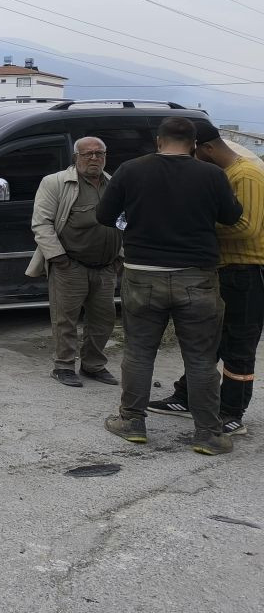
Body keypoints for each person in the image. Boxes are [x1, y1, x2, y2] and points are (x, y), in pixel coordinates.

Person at [96, 116, 242, 455]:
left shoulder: (130, 170)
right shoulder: (212, 175)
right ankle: (208, 434)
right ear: (193, 145)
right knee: (201, 359)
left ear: (159, 141)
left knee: (138, 351)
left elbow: (104, 216)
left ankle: (132, 422)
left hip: (142, 275)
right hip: (197, 278)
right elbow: (232, 216)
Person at [148, 121, 264, 437]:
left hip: (246, 274)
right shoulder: (225, 175)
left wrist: (195, 226)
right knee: (206, 341)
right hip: (221, 272)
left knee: (238, 345)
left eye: (193, 153)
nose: (191, 160)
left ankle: (231, 412)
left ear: (207, 148)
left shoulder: (247, 175)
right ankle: (187, 397)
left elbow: (247, 228)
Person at [27, 136, 122, 388]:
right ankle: (64, 366)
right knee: (65, 318)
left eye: (99, 153)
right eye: (87, 154)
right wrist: (58, 258)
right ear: (75, 157)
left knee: (103, 320)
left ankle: (93, 366)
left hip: (106, 266)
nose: (93, 158)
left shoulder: (114, 184)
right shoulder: (56, 182)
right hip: (70, 263)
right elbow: (41, 222)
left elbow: (125, 221)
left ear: (105, 156)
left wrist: (120, 256)